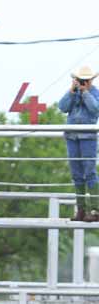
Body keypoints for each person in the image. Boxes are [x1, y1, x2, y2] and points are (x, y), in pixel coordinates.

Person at [58, 66, 99, 222]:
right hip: (72, 137)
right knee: (76, 175)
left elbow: (95, 109)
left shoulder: (95, 93)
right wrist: (71, 91)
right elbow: (62, 107)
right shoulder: (73, 93)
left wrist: (86, 93)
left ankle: (96, 210)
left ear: (91, 81)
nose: (83, 83)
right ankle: (81, 209)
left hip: (88, 137)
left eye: (86, 80)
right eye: (81, 80)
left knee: (90, 173)